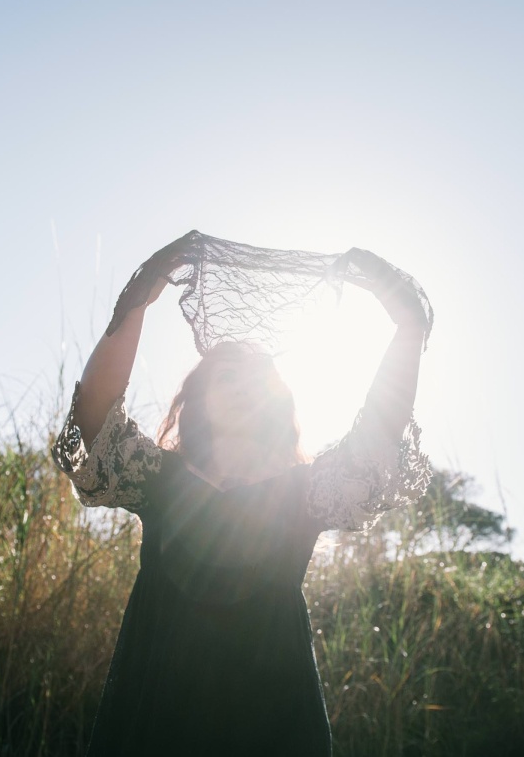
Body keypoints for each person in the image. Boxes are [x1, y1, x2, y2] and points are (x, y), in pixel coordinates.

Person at [52, 234, 432, 756]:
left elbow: (375, 444)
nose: (241, 386)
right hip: (159, 707)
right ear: (197, 399)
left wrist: (408, 330)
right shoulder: (159, 478)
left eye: (257, 381)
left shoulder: (304, 493)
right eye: (226, 376)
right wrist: (139, 300)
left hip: (272, 712)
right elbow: (94, 418)